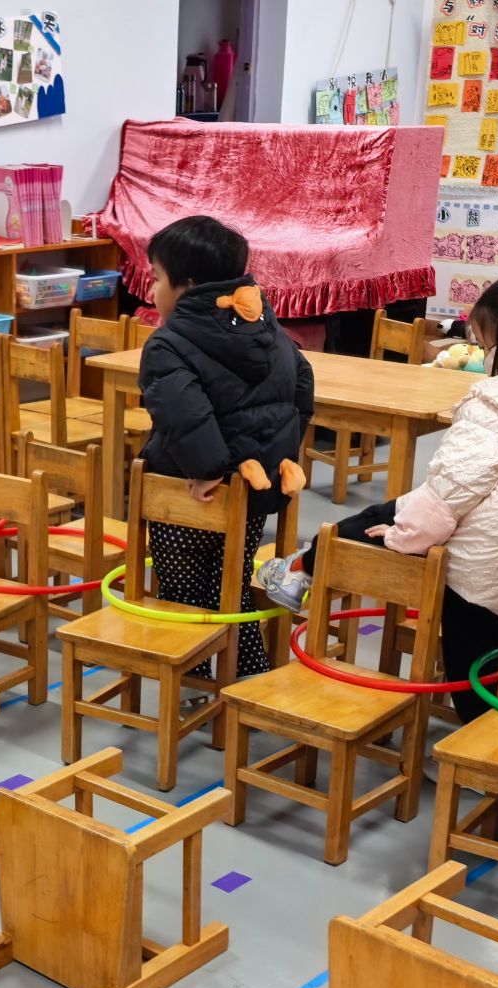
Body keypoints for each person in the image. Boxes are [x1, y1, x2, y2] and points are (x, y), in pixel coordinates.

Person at [257, 266, 498, 722]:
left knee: (466, 664)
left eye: (483, 345)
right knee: (388, 516)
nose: (482, 355)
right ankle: (303, 565)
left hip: (485, 559)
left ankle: (481, 745)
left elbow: (455, 485)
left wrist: (407, 533)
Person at [137, 215, 314, 678]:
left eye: (156, 278)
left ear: (188, 284)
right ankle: (247, 675)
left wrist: (208, 468)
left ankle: (194, 682)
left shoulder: (168, 344)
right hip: (253, 487)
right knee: (229, 586)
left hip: (188, 489)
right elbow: (302, 384)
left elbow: (181, 410)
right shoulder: (267, 328)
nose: (152, 290)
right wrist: (277, 453)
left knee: (183, 593)